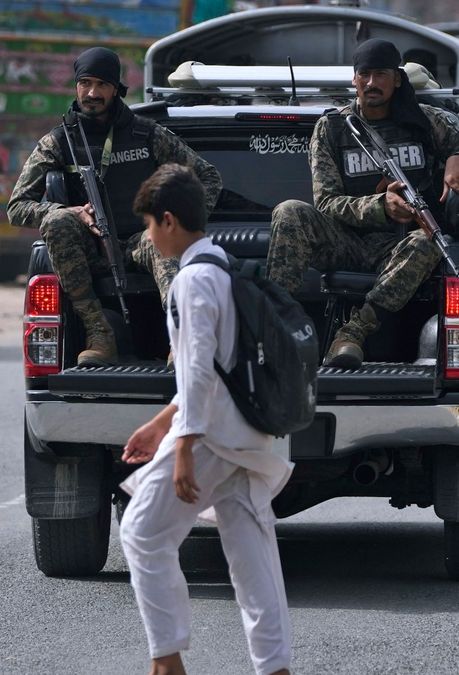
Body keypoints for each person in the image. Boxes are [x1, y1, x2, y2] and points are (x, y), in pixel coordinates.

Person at [119, 164, 293, 675]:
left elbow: (196, 368)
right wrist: (161, 423)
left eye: (150, 225)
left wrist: (185, 446)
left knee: (142, 533)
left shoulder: (192, 281)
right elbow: (217, 366)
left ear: (169, 221)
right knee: (253, 557)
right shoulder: (226, 270)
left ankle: (167, 661)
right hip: (247, 433)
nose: (149, 237)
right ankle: (275, 667)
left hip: (212, 435)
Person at [266, 39, 459, 369]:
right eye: (364, 74)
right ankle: (274, 332)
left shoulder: (427, 122)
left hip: (401, 247)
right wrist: (379, 205)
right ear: (354, 79)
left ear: (397, 79)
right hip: (346, 243)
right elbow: (326, 202)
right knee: (290, 210)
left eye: (381, 74)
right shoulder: (333, 128)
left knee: (431, 241)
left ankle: (352, 333)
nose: (372, 83)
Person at [7, 47, 221, 367]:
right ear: (77, 86)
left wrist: (183, 221)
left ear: (116, 89)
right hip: (91, 249)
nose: (93, 93)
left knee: (162, 238)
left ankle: (181, 335)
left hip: (141, 241)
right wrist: (70, 212)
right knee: (56, 223)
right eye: (86, 83)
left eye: (102, 85)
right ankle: (99, 333)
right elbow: (17, 207)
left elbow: (208, 177)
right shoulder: (59, 141)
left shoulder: (146, 134)